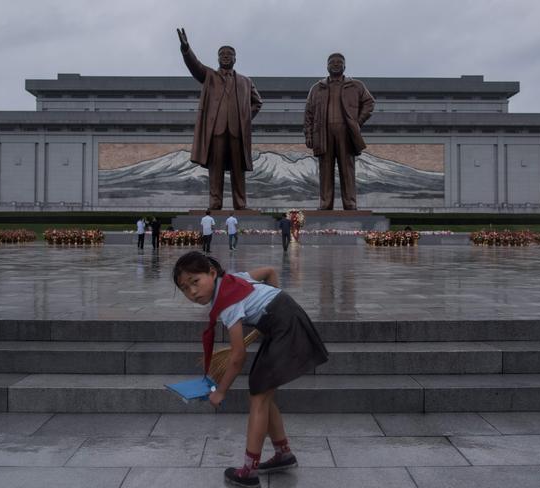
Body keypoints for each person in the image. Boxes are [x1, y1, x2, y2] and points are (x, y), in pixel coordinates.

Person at [173, 252, 328, 488]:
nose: (192, 292)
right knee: (262, 390)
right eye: (185, 288)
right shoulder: (234, 279)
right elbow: (269, 272)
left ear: (212, 273)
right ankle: (283, 454)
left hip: (286, 326)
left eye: (195, 281)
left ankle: (248, 471)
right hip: (284, 320)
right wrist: (271, 309)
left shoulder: (227, 305)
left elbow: (237, 356)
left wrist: (221, 392)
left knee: (258, 396)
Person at [177, 28, 263, 210]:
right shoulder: (210, 76)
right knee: (215, 170)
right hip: (216, 131)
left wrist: (245, 118)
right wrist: (186, 49)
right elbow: (195, 65)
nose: (226, 56)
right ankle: (215, 203)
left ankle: (240, 204)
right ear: (217, 58)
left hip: (237, 132)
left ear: (235, 58)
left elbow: (258, 102)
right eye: (222, 54)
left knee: (238, 170)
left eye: (229, 54)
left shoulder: (245, 81)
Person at [304, 53, 375, 210]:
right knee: (325, 169)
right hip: (323, 133)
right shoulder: (317, 88)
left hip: (346, 133)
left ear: (344, 66)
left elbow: (369, 103)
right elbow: (308, 113)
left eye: (339, 62)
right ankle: (325, 203)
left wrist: (357, 122)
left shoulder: (356, 85)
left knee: (347, 169)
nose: (336, 64)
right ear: (327, 66)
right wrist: (308, 135)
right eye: (332, 62)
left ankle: (350, 203)